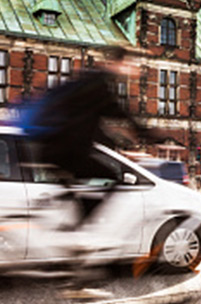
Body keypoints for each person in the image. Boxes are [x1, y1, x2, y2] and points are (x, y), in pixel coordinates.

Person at [20, 45, 151, 229]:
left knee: (80, 183)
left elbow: (93, 125)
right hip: (65, 150)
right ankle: (79, 226)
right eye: (132, 64)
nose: (134, 69)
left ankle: (69, 216)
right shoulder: (100, 83)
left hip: (51, 148)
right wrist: (149, 134)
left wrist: (116, 145)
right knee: (112, 176)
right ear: (121, 62)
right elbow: (117, 112)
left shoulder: (88, 79)